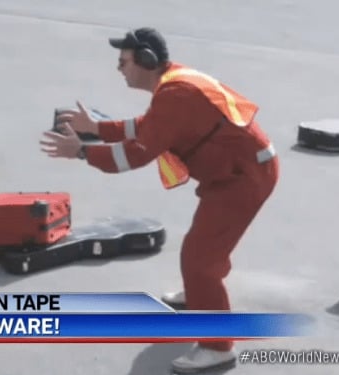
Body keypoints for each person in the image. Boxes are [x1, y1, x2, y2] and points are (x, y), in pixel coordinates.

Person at [39, 27, 279, 373]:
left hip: (243, 179)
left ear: (147, 61)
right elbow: (149, 125)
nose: (118, 68)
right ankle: (202, 295)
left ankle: (218, 347)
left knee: (199, 259)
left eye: (123, 62)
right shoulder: (172, 86)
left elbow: (135, 154)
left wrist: (81, 153)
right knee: (205, 249)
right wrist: (96, 128)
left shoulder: (175, 94)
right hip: (234, 174)